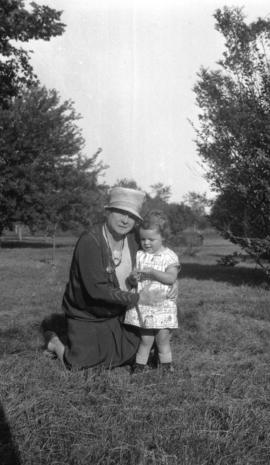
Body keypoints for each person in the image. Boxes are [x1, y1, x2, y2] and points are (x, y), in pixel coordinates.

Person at [42, 186, 161, 370]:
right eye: (120, 212)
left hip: (118, 311)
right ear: (108, 212)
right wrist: (138, 298)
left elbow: (156, 256)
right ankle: (55, 341)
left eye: (131, 216)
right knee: (81, 364)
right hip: (88, 314)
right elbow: (97, 289)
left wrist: (164, 278)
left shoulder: (133, 240)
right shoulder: (90, 241)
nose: (125, 220)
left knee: (145, 348)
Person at [124, 210, 180, 373]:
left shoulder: (169, 256)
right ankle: (139, 366)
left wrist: (153, 272)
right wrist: (133, 278)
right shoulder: (140, 255)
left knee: (162, 339)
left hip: (163, 306)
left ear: (163, 237)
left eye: (151, 239)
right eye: (143, 239)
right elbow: (134, 280)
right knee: (146, 339)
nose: (146, 243)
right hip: (145, 306)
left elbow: (171, 278)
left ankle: (166, 366)